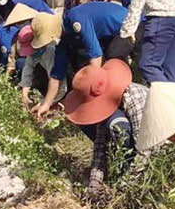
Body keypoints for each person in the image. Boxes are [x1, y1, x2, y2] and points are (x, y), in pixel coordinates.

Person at [63, 59, 149, 198]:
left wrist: (123, 187)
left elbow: (147, 150)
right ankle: (121, 168)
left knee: (117, 125)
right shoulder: (110, 107)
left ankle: (125, 168)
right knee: (109, 123)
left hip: (158, 146)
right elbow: (100, 145)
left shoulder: (135, 100)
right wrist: (94, 183)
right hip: (139, 146)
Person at [31, 1, 131, 118]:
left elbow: (95, 57)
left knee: (111, 59)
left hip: (127, 26)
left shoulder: (75, 20)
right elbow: (56, 75)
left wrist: (92, 94)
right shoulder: (64, 39)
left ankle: (116, 99)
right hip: (107, 36)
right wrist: (46, 104)